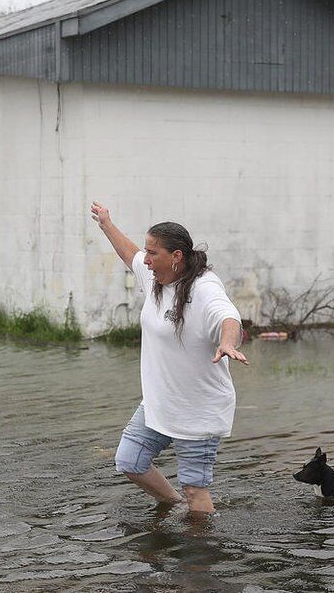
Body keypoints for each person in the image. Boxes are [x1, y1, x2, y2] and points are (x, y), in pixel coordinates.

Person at [90, 201, 248, 514]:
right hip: (160, 403)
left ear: (176, 257)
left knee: (195, 489)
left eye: (152, 253)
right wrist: (106, 224)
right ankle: (174, 505)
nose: (145, 260)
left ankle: (200, 554)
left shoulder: (203, 288)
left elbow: (228, 316)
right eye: (146, 252)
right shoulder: (155, 279)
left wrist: (228, 342)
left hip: (196, 410)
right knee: (129, 461)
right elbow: (129, 254)